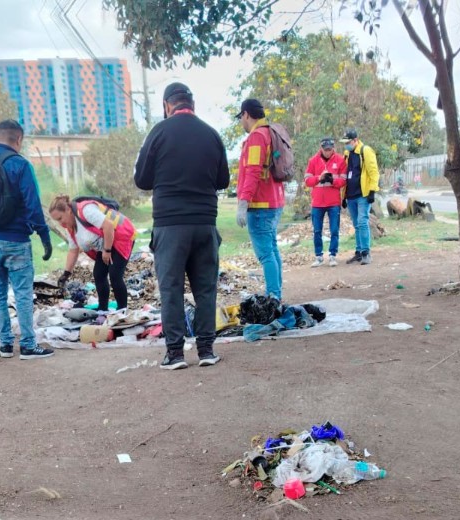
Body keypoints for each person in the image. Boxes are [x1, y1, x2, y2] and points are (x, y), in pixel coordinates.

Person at [134, 82, 230, 370]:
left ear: (167, 105)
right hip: (204, 223)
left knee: (171, 290)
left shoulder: (158, 133)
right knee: (205, 290)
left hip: (170, 225)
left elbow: (142, 180)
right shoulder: (211, 134)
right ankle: (206, 350)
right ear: (192, 104)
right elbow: (223, 180)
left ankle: (175, 354)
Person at [0, 119, 55, 359]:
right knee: (23, 293)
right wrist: (44, 235)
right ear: (19, 139)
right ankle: (28, 345)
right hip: (15, 240)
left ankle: (5, 344)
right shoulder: (20, 164)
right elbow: (32, 204)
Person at [48, 194, 136, 312]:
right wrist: (66, 274)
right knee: (99, 274)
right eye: (57, 221)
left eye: (60, 218)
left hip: (121, 236)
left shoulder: (86, 210)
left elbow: (108, 225)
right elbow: (73, 251)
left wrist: (107, 250)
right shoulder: (70, 227)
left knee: (115, 274)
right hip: (105, 242)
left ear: (68, 210)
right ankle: (102, 309)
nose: (60, 223)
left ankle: (122, 310)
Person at [235, 98, 285, 299]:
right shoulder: (272, 132)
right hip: (274, 201)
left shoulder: (257, 137)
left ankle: (273, 296)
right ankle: (276, 293)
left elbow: (253, 170)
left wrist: (243, 202)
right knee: (272, 250)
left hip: (260, 204)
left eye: (241, 117)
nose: (242, 121)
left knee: (265, 254)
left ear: (246, 114)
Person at [303, 137, 347, 267]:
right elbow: (307, 181)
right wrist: (319, 178)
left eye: (330, 149)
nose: (328, 152)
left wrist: (332, 180)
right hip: (317, 203)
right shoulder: (313, 161)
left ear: (333, 148)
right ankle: (319, 256)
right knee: (317, 230)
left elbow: (344, 181)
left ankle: (333, 255)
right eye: (325, 149)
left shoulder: (340, 160)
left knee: (334, 230)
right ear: (321, 148)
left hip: (333, 202)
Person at [341, 128, 379, 265]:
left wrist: (372, 191)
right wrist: (343, 196)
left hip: (363, 194)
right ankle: (358, 252)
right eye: (345, 143)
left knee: (362, 222)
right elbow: (345, 174)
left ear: (355, 140)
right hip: (350, 195)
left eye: (348, 142)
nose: (346, 145)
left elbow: (374, 172)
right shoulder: (347, 154)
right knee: (356, 224)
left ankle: (366, 252)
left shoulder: (365, 151)